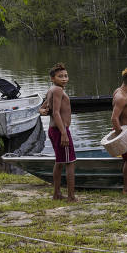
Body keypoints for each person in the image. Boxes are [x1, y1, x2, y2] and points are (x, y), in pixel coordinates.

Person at [44, 63, 76, 202]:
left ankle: (57, 194)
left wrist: (43, 111)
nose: (64, 78)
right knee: (70, 163)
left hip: (54, 130)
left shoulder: (52, 89)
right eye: (60, 76)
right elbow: (56, 113)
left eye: (66, 76)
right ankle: (71, 197)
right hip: (60, 130)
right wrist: (64, 132)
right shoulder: (57, 90)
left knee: (59, 162)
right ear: (52, 78)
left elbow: (42, 108)